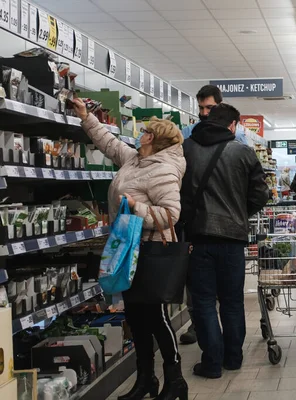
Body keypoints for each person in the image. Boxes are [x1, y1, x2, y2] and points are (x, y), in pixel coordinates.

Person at [72, 99, 188, 400]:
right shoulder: (136, 160)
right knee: (136, 317)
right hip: (128, 253)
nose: (140, 134)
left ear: (153, 138)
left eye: (146, 131)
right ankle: (146, 379)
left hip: (150, 253)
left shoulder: (163, 169)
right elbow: (110, 144)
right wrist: (87, 118)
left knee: (157, 318)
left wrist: (137, 207)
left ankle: (175, 381)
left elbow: (171, 215)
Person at [180, 103, 269, 379]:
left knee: (204, 301)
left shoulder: (186, 149)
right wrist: (240, 213)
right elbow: (261, 195)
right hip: (232, 240)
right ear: (233, 125)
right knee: (232, 301)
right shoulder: (243, 152)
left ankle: (212, 362)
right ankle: (233, 358)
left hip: (198, 239)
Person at [181, 84, 248, 145]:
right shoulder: (187, 132)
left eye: (209, 108)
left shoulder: (237, 135)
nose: (204, 113)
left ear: (220, 105)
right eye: (201, 108)